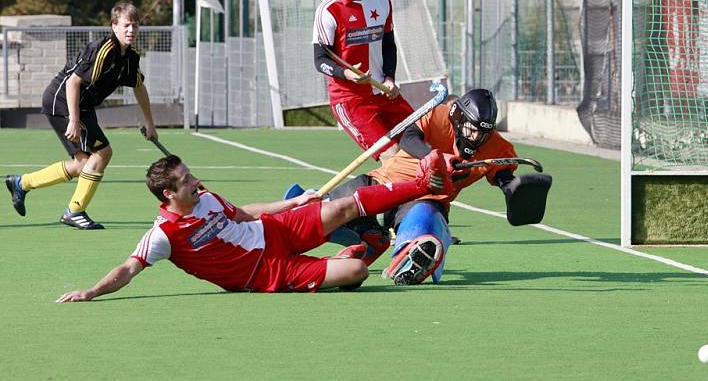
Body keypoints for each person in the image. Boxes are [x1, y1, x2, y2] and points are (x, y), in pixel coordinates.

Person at [55, 150, 451, 301]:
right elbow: (128, 268)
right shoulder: (163, 235)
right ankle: (351, 254)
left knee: (343, 206)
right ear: (168, 197)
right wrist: (91, 291)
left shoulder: (205, 196)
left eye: (190, 174)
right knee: (357, 272)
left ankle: (423, 183)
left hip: (275, 230)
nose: (195, 181)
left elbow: (243, 213)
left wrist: (293, 202)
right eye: (186, 181)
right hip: (266, 273)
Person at [326, 88, 519, 286]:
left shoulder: (497, 147)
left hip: (426, 200)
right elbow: (408, 138)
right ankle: (370, 237)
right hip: (384, 182)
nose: (476, 137)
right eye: (472, 128)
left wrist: (513, 188)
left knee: (424, 223)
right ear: (459, 117)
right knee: (325, 214)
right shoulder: (438, 115)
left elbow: (503, 174)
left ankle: (414, 250)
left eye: (484, 133)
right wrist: (434, 158)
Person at [5, 2, 157, 230]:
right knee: (103, 153)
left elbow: (138, 86)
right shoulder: (103, 50)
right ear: (114, 26)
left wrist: (150, 123)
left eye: (135, 26)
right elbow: (73, 82)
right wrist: (74, 120)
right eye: (126, 25)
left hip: (81, 105)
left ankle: (22, 183)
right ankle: (74, 211)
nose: (131, 31)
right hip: (63, 100)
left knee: (84, 165)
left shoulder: (130, 57)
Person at [312, 0, 414, 163]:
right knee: (392, 156)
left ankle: (422, 198)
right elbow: (320, 60)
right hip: (350, 99)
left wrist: (389, 77)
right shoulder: (329, 10)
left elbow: (388, 44)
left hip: (383, 92)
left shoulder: (382, 0)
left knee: (420, 143)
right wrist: (348, 74)